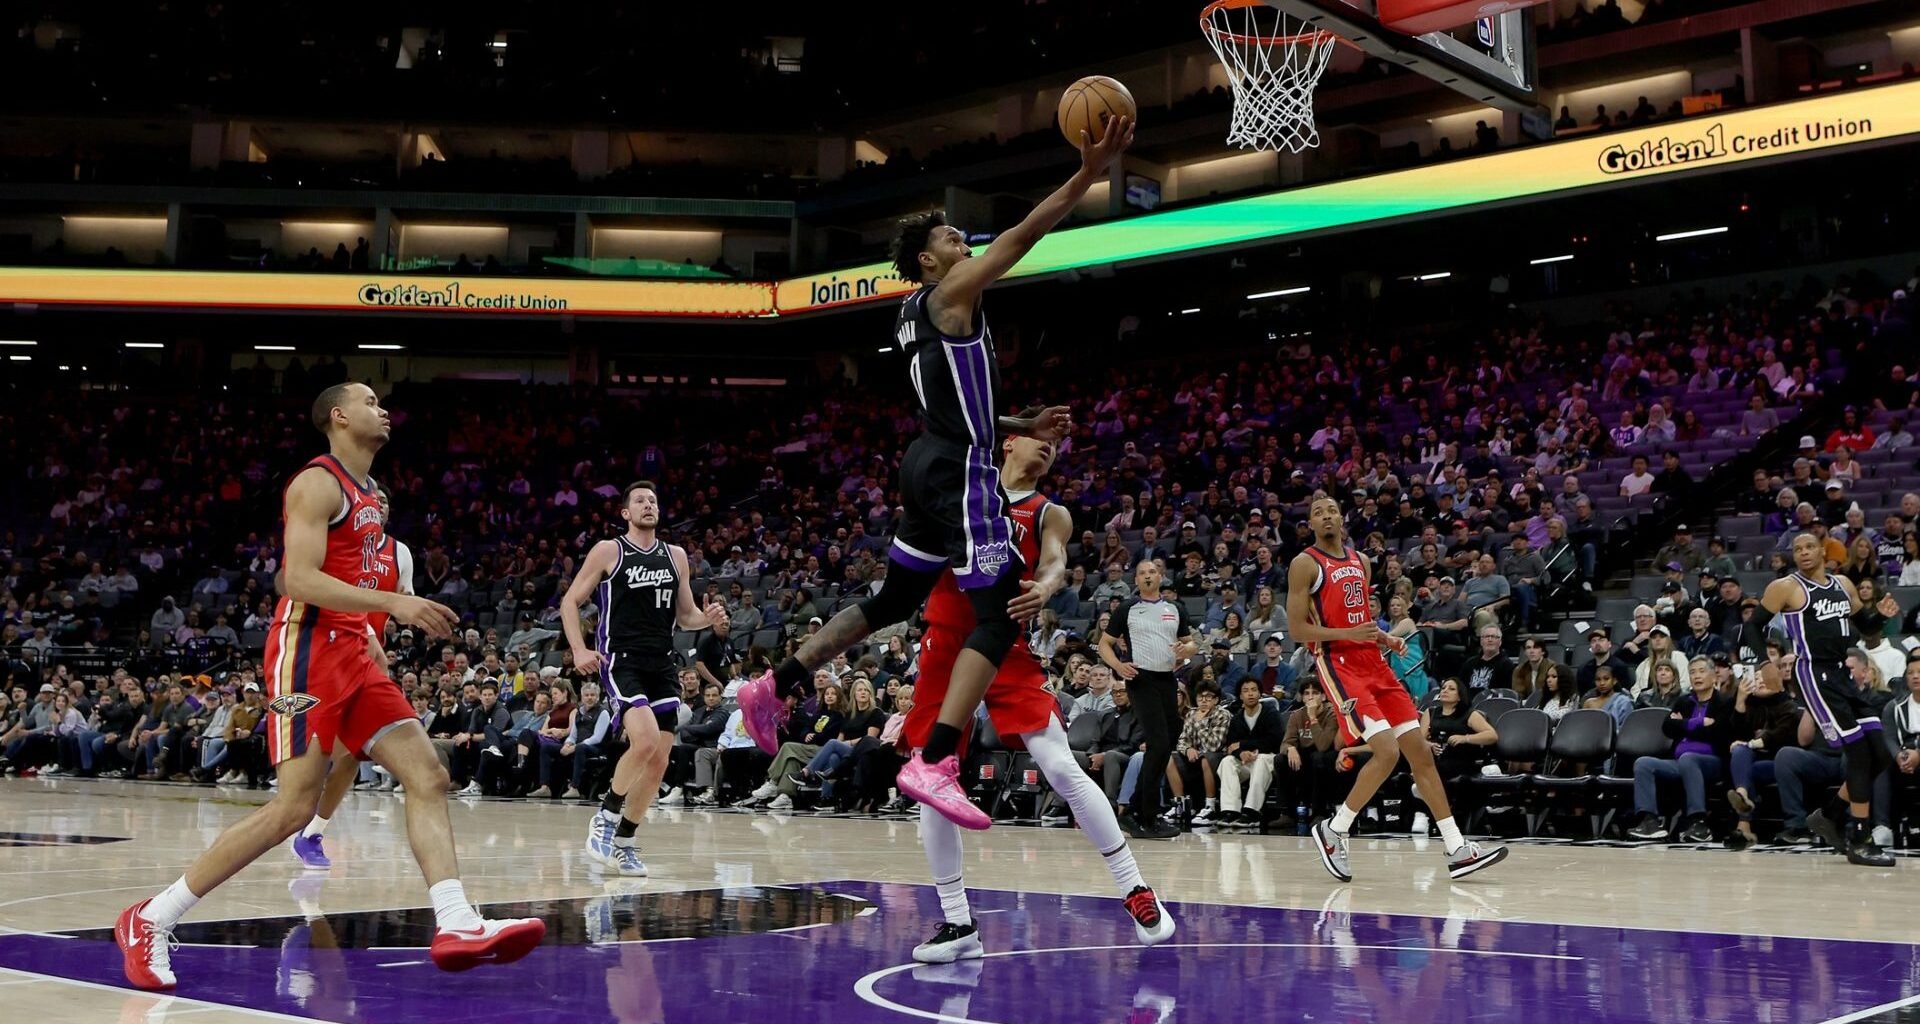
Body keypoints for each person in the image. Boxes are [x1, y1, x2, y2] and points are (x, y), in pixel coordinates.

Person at [733, 117, 1135, 828]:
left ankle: (776, 684)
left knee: (892, 600)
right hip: (962, 474)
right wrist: (1086, 173)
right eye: (951, 237)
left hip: (926, 461)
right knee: (998, 617)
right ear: (927, 261)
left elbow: (952, 403)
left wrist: (1018, 425)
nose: (965, 241)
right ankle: (938, 758)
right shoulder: (952, 294)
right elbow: (1025, 237)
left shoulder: (912, 313)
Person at [115, 383, 542, 992]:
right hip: (305, 657)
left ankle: (455, 920)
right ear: (339, 417)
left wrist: (372, 638)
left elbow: (347, 577)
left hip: (354, 653)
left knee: (429, 773)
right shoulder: (318, 482)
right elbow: (297, 577)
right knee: (293, 807)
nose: (383, 408)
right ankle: (151, 917)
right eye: (370, 400)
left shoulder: (371, 495)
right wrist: (393, 602)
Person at [905, 431, 1173, 963]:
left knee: (1059, 764)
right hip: (944, 640)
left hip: (1003, 639)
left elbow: (1052, 561)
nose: (1050, 447)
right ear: (1005, 443)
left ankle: (1136, 889)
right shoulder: (958, 490)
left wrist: (1046, 588)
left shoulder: (1050, 511)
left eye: (1057, 444)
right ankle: (958, 922)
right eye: (1038, 438)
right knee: (932, 779)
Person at [1290, 496, 1506, 882]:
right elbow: (1297, 630)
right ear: (1310, 523)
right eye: (1317, 512)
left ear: (1342, 518)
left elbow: (1362, 619)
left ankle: (1456, 848)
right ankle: (1335, 829)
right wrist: (1349, 635)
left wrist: (1384, 639)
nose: (1325, 516)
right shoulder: (1305, 563)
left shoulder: (1362, 561)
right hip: (1339, 664)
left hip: (1373, 662)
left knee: (1420, 752)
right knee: (1387, 752)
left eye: (1331, 510)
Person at [561, 480, 728, 877]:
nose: (648, 505)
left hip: (661, 662)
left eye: (653, 500)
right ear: (625, 512)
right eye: (639, 500)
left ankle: (626, 840)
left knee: (659, 760)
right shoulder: (609, 550)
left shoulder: (676, 556)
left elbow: (686, 616)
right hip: (622, 660)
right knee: (646, 740)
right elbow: (570, 601)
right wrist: (580, 650)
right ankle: (606, 815)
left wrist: (710, 620)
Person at [1739, 533, 1897, 866]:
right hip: (1814, 674)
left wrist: (1880, 616)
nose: (1803, 553)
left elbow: (1865, 627)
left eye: (1810, 547)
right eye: (1797, 549)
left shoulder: (1843, 584)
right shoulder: (1785, 587)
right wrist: (1765, 663)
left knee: (1880, 754)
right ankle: (1860, 836)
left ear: (1824, 551)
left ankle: (1828, 815)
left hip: (1843, 672)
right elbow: (1752, 628)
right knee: (1857, 752)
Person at [294, 482, 415, 869]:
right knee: (316, 754)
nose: (377, 503)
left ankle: (312, 831)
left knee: (350, 758)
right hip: (326, 652)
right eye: (371, 498)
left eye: (384, 500)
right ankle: (292, 817)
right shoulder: (339, 547)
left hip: (365, 660)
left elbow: (404, 600)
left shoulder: (399, 552)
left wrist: (412, 624)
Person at [1099, 558, 1199, 840]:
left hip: (1167, 679)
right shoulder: (1128, 609)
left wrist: (1185, 649)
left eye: (1151, 572)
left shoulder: (1175, 608)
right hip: (1139, 679)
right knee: (1158, 743)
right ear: (1136, 580)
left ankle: (1132, 810)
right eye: (1141, 572)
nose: (1147, 576)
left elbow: (1191, 642)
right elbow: (1104, 644)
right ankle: (1147, 814)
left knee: (1166, 744)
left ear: (1160, 576)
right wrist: (1118, 667)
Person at [1216, 676, 1284, 827]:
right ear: (1240, 696)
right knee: (1227, 762)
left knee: (1261, 760)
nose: (1250, 694)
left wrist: (1243, 744)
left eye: (1254, 690)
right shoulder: (1237, 719)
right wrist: (1240, 753)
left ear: (1260, 693)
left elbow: (1274, 741)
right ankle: (1230, 811)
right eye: (1246, 691)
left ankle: (1252, 811)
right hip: (1246, 761)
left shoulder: (1270, 713)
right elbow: (1231, 745)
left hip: (1269, 759)